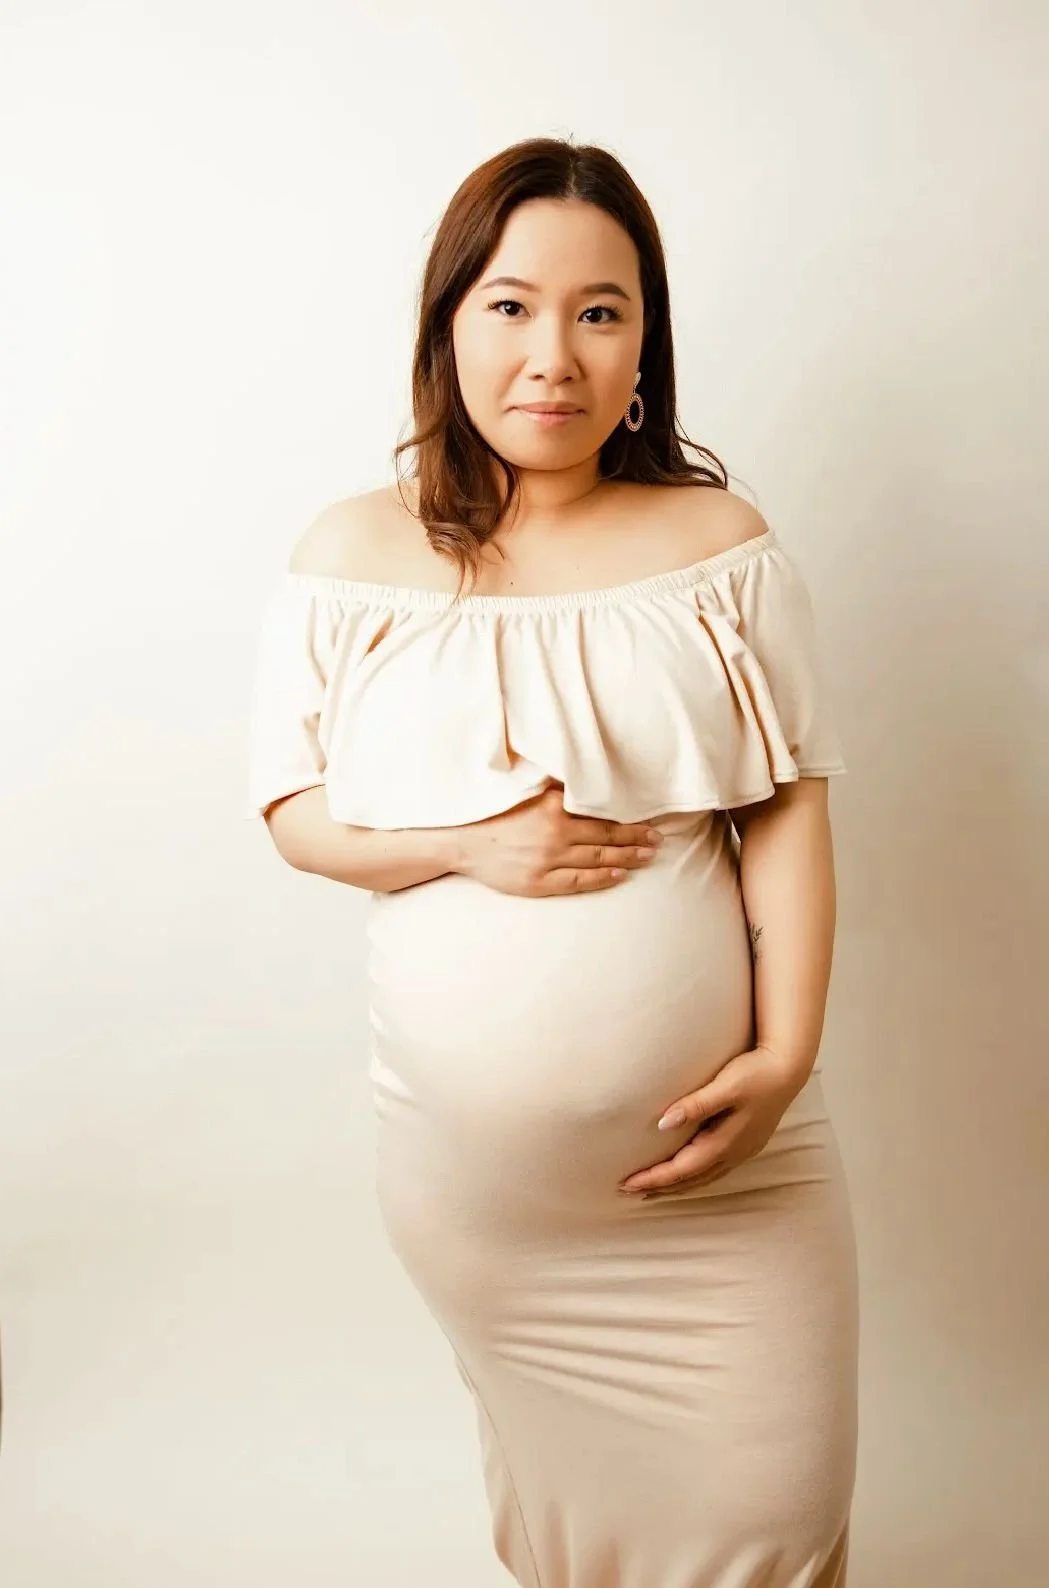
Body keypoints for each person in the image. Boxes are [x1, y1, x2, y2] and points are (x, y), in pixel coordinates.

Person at [245, 137, 859, 1588]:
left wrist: (787, 1054)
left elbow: (784, 810)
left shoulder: (719, 544)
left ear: (645, 341)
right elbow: (292, 814)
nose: (554, 355)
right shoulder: (352, 555)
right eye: (511, 306)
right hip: (492, 1217)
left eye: (602, 311)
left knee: (778, 1523)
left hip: (727, 1195)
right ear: (448, 322)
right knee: (580, 1551)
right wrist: (471, 848)